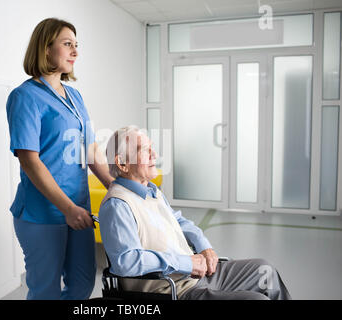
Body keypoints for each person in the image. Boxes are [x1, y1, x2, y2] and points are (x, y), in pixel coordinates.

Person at [99, 126, 291, 300]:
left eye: (152, 148)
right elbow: (127, 261)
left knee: (265, 272)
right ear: (122, 163)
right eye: (145, 150)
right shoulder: (118, 205)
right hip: (175, 290)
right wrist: (186, 263)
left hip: (196, 274)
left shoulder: (151, 191)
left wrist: (203, 245)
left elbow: (178, 221)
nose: (154, 155)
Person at [6, 18, 113, 300]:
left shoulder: (75, 96)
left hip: (78, 209)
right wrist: (66, 208)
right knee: (46, 291)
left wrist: (115, 185)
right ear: (45, 49)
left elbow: (90, 150)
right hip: (43, 213)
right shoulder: (25, 96)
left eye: (76, 45)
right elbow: (29, 161)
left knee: (82, 284)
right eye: (67, 44)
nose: (75, 51)